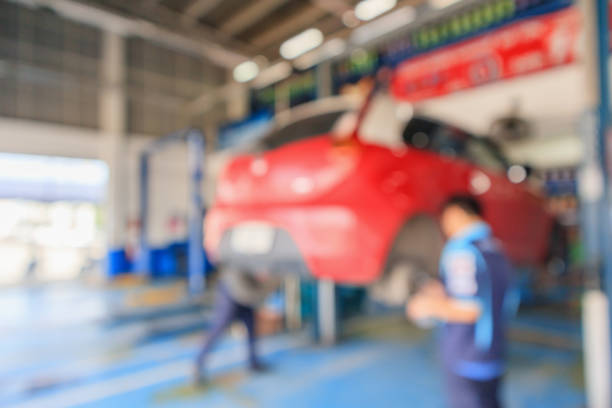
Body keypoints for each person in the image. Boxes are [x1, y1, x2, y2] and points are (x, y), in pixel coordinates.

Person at [407, 195, 515, 408]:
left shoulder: (462, 250)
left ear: (457, 214)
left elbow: (470, 309)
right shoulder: (494, 247)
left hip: (466, 352)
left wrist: (425, 306)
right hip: (493, 349)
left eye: (445, 219)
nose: (445, 227)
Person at [194, 267, 280, 384]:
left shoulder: (262, 267)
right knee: (218, 328)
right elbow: (248, 293)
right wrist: (260, 299)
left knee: (251, 328)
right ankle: (198, 365)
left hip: (247, 293)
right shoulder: (238, 269)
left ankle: (253, 363)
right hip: (231, 291)